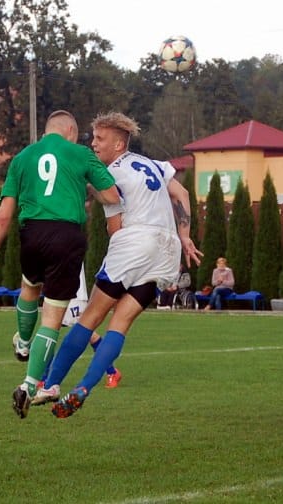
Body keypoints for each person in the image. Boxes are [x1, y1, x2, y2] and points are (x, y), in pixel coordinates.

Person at [32, 111, 202, 418]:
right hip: (167, 250)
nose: (94, 144)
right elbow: (182, 193)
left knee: (89, 317)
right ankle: (83, 388)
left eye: (100, 139)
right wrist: (185, 236)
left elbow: (115, 226)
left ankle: (51, 384)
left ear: (119, 144)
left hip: (135, 242)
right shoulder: (153, 164)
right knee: (120, 323)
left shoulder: (107, 174)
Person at [0, 110, 120, 419]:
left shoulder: (22, 158)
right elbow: (111, 195)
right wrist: (88, 186)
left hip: (31, 233)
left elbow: (4, 213)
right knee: (53, 318)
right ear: (70, 130)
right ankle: (29, 385)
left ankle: (24, 342)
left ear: (47, 131)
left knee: (29, 285)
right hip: (67, 235)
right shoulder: (80, 153)